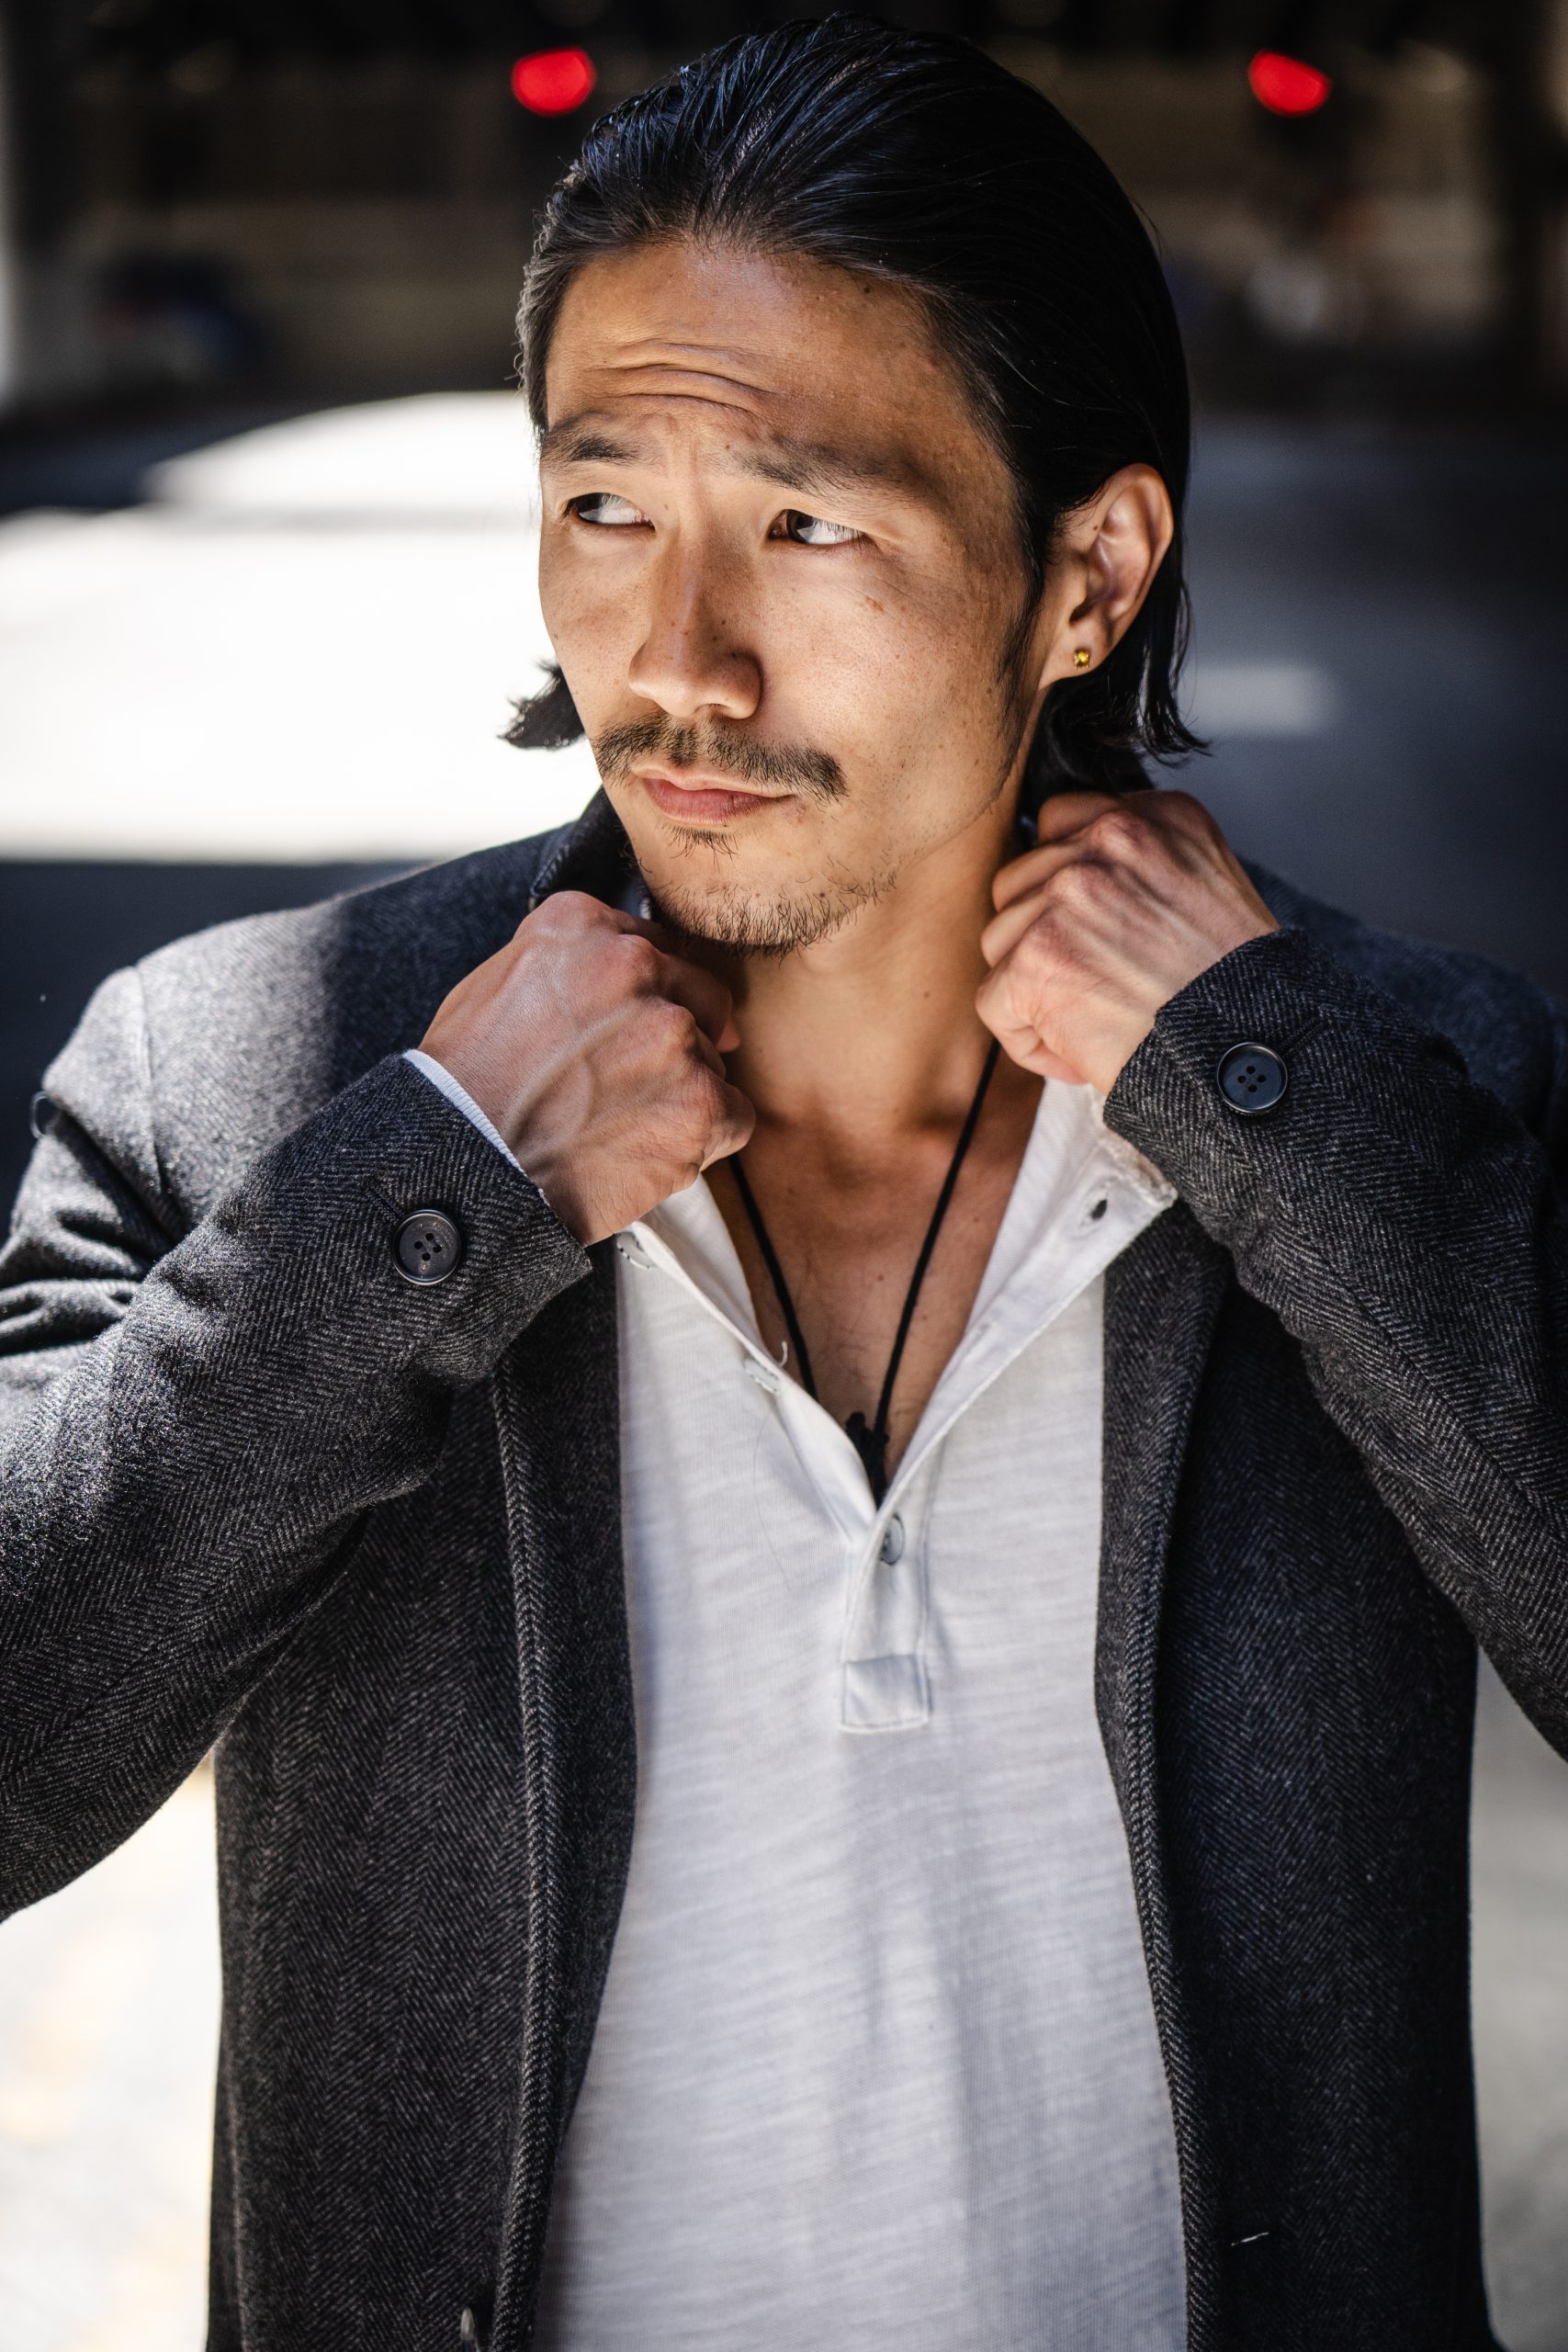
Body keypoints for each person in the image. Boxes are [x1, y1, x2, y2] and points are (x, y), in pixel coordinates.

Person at [1, 17, 1562, 2350]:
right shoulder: (233, 1080)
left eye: (809, 525)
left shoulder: (1407, 1092)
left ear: (1087, 572)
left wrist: (1270, 1099)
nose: (678, 661)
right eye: (603, 506)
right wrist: (427, 1191)